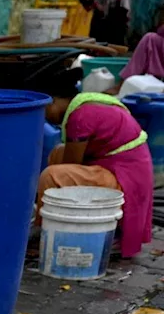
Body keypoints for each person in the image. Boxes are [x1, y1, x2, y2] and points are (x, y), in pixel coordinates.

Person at [36, 68, 153, 258]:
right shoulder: (86, 104)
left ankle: (46, 230)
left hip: (126, 179)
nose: (45, 116)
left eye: (44, 109)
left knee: (52, 176)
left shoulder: (80, 116)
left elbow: (71, 164)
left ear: (53, 101)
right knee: (57, 155)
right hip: (123, 169)